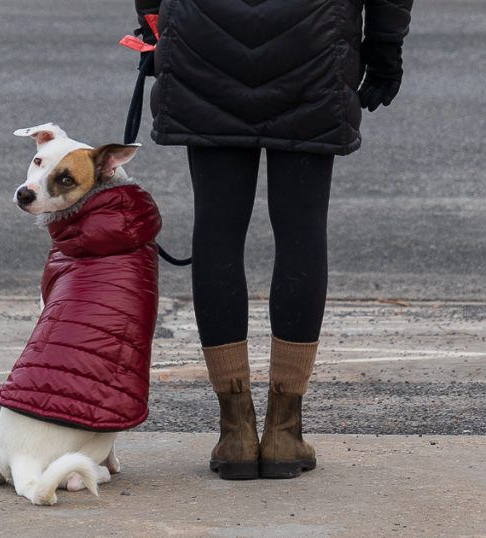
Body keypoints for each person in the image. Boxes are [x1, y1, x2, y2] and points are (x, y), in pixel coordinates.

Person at [132, 0, 414, 480]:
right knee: (302, 229)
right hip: (314, 40)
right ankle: (284, 429)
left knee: (217, 231)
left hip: (205, 36)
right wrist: (384, 45)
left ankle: (235, 429)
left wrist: (155, 23)